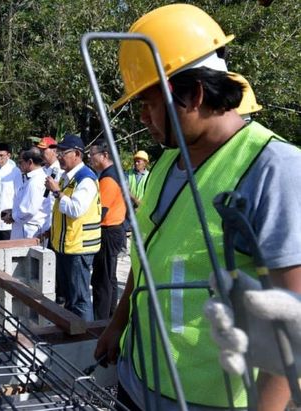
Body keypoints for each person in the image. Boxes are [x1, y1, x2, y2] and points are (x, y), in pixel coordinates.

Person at [93, 4, 301, 410]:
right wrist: (117, 325)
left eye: (150, 104)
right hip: (138, 376)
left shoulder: (276, 170)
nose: (144, 118)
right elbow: (149, 257)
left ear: (196, 94)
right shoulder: (169, 160)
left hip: (209, 399)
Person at [44, 135, 101, 321]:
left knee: (80, 299)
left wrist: (56, 192)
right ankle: (72, 334)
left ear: (77, 154)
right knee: (69, 297)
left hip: (79, 248)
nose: (59, 156)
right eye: (57, 152)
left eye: (63, 152)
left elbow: (76, 209)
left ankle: (87, 341)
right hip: (64, 245)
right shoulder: (66, 177)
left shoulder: (86, 179)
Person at [88, 139, 126, 320]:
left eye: (92, 155)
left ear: (105, 155)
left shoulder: (109, 178)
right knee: (109, 277)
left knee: (102, 279)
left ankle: (101, 320)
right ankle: (109, 316)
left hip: (108, 231)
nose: (90, 159)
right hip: (114, 230)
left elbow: (100, 212)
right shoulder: (113, 174)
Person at [4, 147, 51, 240]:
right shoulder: (33, 179)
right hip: (27, 228)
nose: (19, 165)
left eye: (21, 162)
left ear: (30, 162)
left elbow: (28, 210)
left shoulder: (35, 181)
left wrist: (12, 216)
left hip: (29, 231)